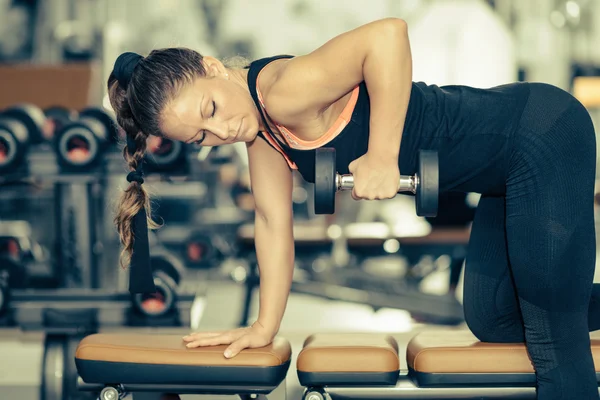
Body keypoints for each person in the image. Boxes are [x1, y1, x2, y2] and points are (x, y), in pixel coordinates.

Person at [107, 18, 599, 399]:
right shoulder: (262, 134)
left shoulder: (283, 88)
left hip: (542, 137)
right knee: (494, 320)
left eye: (211, 111)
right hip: (503, 180)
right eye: (201, 137)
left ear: (212, 66)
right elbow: (272, 223)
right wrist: (263, 326)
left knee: (553, 339)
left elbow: (387, 36)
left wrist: (383, 155)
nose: (222, 132)